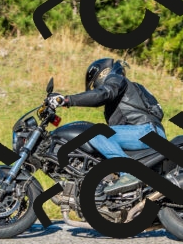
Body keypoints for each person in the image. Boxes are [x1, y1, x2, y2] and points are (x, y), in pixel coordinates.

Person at [47, 58, 166, 194]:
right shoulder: (121, 96)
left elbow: (104, 94)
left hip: (146, 131)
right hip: (145, 132)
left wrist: (66, 100)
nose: (95, 88)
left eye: (94, 85)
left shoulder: (116, 79)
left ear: (102, 73)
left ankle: (129, 173)